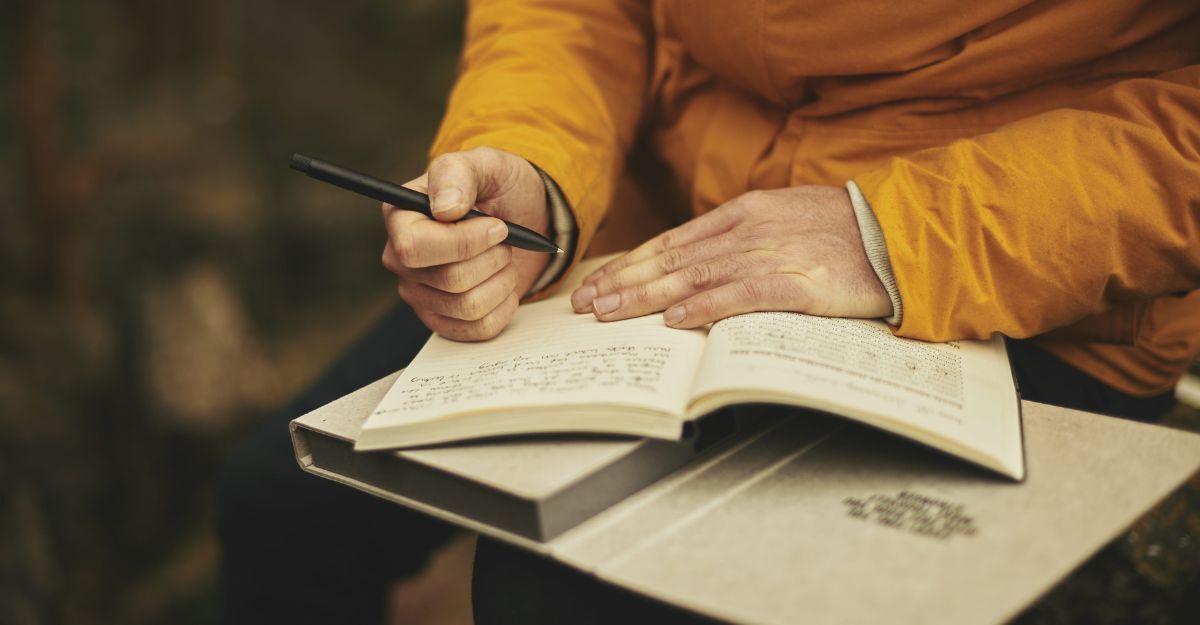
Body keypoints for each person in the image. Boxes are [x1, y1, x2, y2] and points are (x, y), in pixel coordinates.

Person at [219, 1, 1200, 623]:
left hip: (1024, 285)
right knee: (282, 496)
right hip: (651, 234)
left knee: (558, 600)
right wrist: (533, 161)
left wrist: (898, 232)